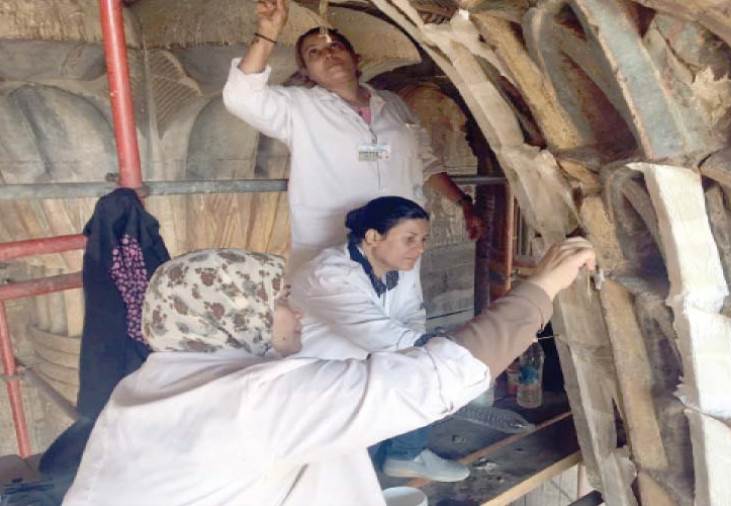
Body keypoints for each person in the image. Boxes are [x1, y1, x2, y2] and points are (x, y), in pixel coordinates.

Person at [62, 239, 596, 505]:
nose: (295, 312)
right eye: (279, 301)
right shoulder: (254, 399)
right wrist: (544, 287)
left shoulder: (145, 384)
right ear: (234, 313)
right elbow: (437, 378)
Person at [222, 0, 483, 275]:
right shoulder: (299, 107)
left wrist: (463, 203)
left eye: (335, 46)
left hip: (400, 246)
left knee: (399, 301)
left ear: (355, 57)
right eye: (314, 52)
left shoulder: (393, 104)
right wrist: (268, 31)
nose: (328, 54)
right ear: (306, 72)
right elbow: (241, 97)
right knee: (341, 299)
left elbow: (425, 162)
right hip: (333, 249)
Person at [290, 196, 462, 481]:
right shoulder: (329, 274)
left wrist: (431, 349)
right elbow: (377, 334)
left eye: (423, 239)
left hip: (364, 370)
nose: (420, 248)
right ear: (372, 237)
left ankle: (405, 455)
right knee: (342, 477)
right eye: (409, 239)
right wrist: (447, 350)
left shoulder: (400, 269)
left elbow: (412, 316)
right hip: (320, 381)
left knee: (425, 367)